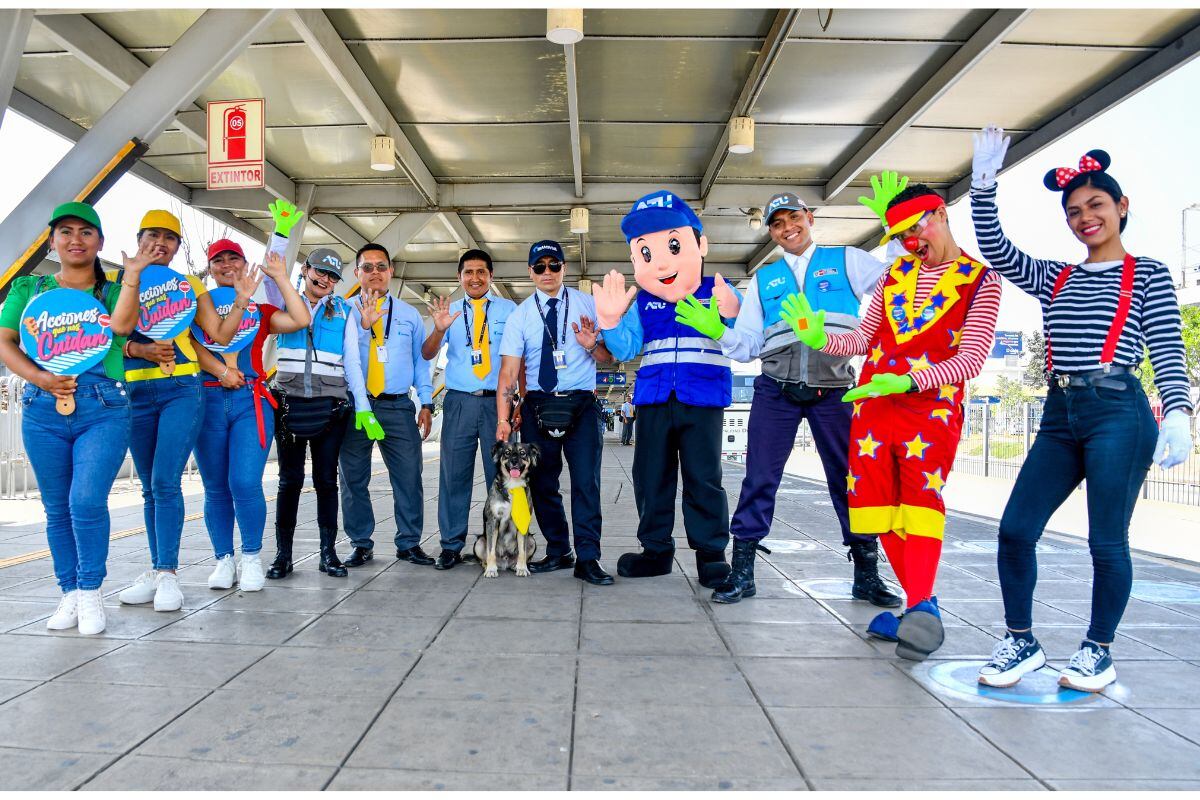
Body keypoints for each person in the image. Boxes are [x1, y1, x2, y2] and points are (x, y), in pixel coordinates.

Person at [970, 127, 1194, 691]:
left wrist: (1179, 413)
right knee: (1016, 529)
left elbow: (1167, 347)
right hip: (1059, 412)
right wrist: (982, 186)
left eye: (1096, 205)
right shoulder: (1057, 276)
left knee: (1106, 542)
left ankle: (1098, 649)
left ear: (1121, 207)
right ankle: (1020, 640)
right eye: (1074, 210)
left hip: (1119, 411)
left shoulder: (1149, 274)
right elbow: (998, 250)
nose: (1084, 217)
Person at [786, 176, 1001, 660]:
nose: (910, 243)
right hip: (874, 408)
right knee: (878, 510)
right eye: (901, 236)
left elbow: (971, 360)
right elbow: (861, 341)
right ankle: (922, 609)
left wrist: (907, 382)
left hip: (930, 411)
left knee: (921, 504)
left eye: (915, 229)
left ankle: (920, 609)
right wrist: (819, 337)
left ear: (941, 214)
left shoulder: (981, 280)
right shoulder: (892, 276)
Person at [705, 191, 902, 606]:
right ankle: (743, 572)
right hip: (776, 389)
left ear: (809, 217)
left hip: (835, 391)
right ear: (771, 231)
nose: (787, 227)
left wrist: (897, 227)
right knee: (759, 478)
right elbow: (748, 345)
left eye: (794, 217)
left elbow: (899, 279)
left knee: (851, 481)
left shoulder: (847, 259)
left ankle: (866, 573)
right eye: (777, 223)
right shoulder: (764, 279)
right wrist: (720, 330)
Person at [0, 202, 145, 635]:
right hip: (42, 410)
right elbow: (5, 341)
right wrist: (40, 379)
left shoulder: (114, 291)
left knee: (85, 501)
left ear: (99, 242)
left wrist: (133, 275)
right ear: (51, 241)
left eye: (86, 232)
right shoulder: (30, 288)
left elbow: (122, 327)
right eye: (65, 231)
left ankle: (90, 590)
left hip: (103, 408)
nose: (75, 240)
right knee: (56, 507)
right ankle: (68, 592)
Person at [595, 190, 741, 587]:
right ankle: (656, 550)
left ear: (700, 244)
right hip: (656, 398)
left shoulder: (720, 291)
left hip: (703, 399)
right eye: (646, 252)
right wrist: (610, 322)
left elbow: (744, 341)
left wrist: (732, 318)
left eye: (674, 245)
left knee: (703, 477)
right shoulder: (644, 302)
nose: (661, 261)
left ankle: (711, 553)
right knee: (651, 476)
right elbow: (626, 348)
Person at [115, 210, 255, 613]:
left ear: (178, 248)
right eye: (153, 235)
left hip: (182, 387)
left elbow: (218, 334)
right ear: (139, 237)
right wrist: (138, 349)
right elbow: (106, 336)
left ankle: (169, 575)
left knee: (164, 481)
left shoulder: (189, 284)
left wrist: (242, 301)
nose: (161, 243)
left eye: (170, 238)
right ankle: (158, 572)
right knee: (147, 485)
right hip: (135, 390)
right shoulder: (115, 279)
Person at [192, 237, 310, 591]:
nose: (227, 265)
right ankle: (223, 560)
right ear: (210, 269)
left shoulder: (260, 312)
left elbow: (301, 319)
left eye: (234, 259)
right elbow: (190, 345)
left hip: (250, 401)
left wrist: (280, 276)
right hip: (207, 401)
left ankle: (251, 557)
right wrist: (220, 371)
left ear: (245, 265)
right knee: (215, 487)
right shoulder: (196, 305)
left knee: (244, 482)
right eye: (218, 261)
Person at [496, 240, 616, 585]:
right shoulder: (521, 315)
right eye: (539, 266)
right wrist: (504, 419)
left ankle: (589, 558)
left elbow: (610, 357)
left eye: (554, 265)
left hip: (581, 406)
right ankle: (560, 550)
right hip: (537, 406)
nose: (547, 272)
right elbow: (508, 373)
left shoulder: (587, 305)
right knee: (544, 483)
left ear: (564, 267)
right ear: (530, 271)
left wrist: (592, 344)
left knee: (585, 484)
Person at [259, 236, 359, 579]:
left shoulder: (346, 311)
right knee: (289, 481)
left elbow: (354, 363)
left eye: (333, 276)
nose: (325, 280)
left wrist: (363, 407)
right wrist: (282, 235)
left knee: (326, 481)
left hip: (331, 405)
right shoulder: (283, 301)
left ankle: (328, 554)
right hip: (288, 404)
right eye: (320, 272)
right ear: (305, 270)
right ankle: (282, 556)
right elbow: (273, 269)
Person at [421, 248, 517, 570]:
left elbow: (522, 358)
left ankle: (500, 544)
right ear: (459, 277)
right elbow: (426, 353)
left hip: (497, 403)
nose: (474, 278)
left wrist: (522, 401)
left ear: (491, 276)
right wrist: (438, 328)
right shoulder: (448, 312)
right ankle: (451, 544)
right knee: (453, 475)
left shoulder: (508, 310)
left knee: (501, 477)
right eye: (468, 273)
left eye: (481, 272)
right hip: (460, 401)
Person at [341, 243, 435, 568]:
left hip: (397, 407)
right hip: (356, 406)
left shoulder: (410, 315)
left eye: (381, 266)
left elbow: (421, 362)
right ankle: (361, 544)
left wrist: (427, 401)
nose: (375, 273)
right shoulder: (343, 312)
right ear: (357, 274)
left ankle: (409, 543)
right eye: (367, 267)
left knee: (409, 477)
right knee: (353, 478)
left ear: (391, 272)